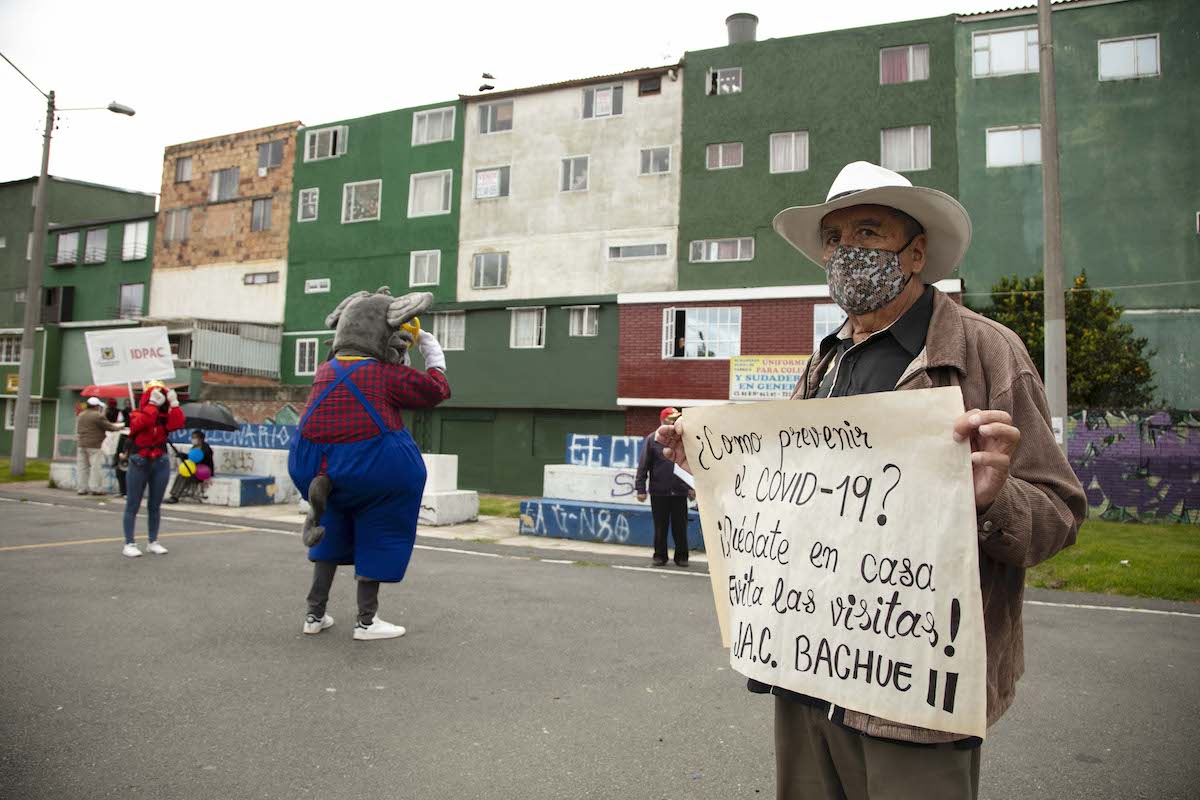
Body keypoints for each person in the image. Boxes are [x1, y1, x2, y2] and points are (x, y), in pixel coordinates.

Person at [656, 161, 1087, 799]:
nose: (845, 251)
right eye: (834, 239)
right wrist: (712, 466)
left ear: (916, 253)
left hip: (916, 697)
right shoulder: (824, 361)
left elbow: (1059, 514)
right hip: (809, 672)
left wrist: (996, 498)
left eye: (867, 230)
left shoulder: (986, 352)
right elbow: (793, 491)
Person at [289, 288, 450, 642]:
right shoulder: (382, 373)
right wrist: (431, 349)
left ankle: (314, 614)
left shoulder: (324, 370)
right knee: (379, 530)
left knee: (329, 531)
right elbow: (436, 391)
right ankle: (366, 622)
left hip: (316, 468)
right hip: (371, 469)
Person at [123, 380, 185, 557]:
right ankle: (129, 543)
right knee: (133, 504)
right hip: (139, 460)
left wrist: (174, 404)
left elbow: (178, 424)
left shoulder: (164, 417)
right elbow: (141, 423)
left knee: (155, 505)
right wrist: (151, 404)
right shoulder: (136, 413)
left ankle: (153, 541)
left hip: (160, 461)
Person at [635, 407, 694, 567]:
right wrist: (640, 488)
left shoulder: (683, 440)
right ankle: (660, 555)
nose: (674, 422)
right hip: (659, 492)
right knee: (660, 526)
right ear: (663, 421)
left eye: (676, 419)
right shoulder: (652, 439)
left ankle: (682, 556)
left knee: (680, 527)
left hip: (679, 492)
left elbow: (690, 465)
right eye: (671, 419)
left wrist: (692, 488)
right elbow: (643, 465)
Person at [75, 397, 123, 495]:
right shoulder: (97, 416)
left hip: (81, 444)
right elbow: (109, 427)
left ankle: (82, 488)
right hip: (94, 445)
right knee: (95, 467)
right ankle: (95, 488)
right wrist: (121, 427)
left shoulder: (81, 415)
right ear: (96, 406)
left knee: (82, 468)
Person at [164, 430, 214, 504]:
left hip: (202, 472)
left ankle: (176, 496)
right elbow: (191, 458)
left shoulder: (206, 449)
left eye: (194, 437)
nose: (193, 439)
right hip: (193, 470)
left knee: (186, 476)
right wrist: (183, 455)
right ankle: (173, 494)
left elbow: (205, 461)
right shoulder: (194, 448)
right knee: (180, 475)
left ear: (200, 439)